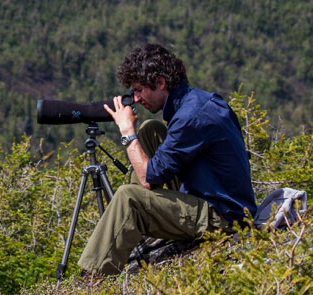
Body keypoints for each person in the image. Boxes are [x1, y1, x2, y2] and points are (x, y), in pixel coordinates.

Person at [77, 43, 257, 275]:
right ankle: (133, 228)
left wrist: (126, 132)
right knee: (150, 130)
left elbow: (147, 178)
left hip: (224, 217)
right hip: (210, 195)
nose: (137, 98)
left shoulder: (191, 118)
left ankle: (91, 279)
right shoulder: (197, 102)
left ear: (161, 82)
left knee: (128, 198)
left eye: (140, 89)